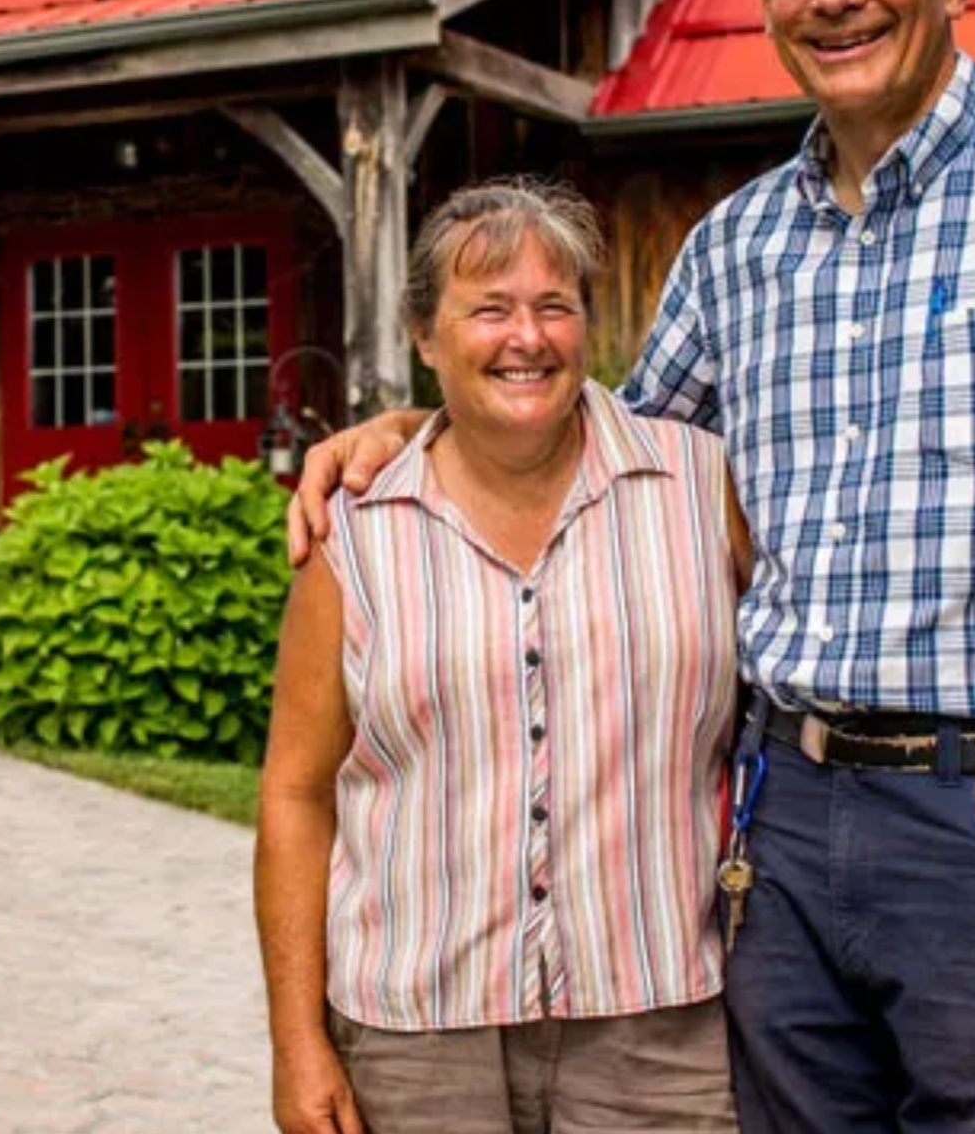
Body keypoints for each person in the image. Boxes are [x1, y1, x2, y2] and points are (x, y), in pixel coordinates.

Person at [287, 0, 975, 1134]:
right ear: (762, 0)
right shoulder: (738, 248)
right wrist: (420, 429)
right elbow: (593, 442)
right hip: (784, 829)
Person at [254, 181, 753, 1134]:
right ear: (425, 339)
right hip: (413, 1042)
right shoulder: (354, 535)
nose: (525, 337)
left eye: (553, 306)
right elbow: (294, 793)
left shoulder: (701, 485)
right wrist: (296, 1041)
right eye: (487, 309)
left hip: (660, 1030)